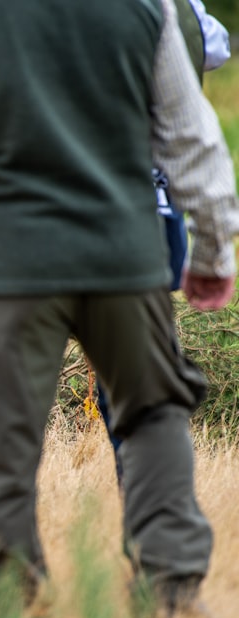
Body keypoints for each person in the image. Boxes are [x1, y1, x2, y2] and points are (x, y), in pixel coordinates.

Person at [0, 0, 239, 613]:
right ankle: (173, 595)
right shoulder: (148, 11)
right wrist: (211, 253)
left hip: (8, 267)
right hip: (126, 259)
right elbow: (193, 140)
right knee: (153, 417)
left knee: (1, 439)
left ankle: (9, 605)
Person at [100, 0, 231, 486]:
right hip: (149, 212)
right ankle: (148, 523)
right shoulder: (174, 9)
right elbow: (213, 44)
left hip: (57, 217)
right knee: (134, 374)